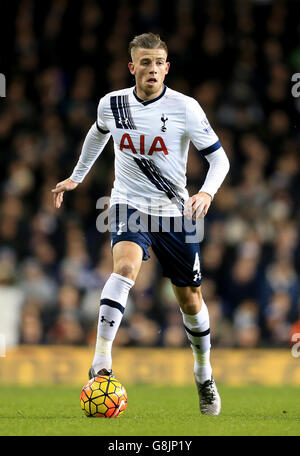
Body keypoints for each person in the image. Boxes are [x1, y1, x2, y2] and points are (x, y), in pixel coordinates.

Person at [52, 32, 230, 415]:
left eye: (158, 62)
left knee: (190, 299)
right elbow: (96, 135)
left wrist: (207, 193)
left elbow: (220, 160)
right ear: (132, 67)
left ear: (167, 67)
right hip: (127, 205)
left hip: (176, 213)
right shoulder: (111, 104)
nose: (152, 69)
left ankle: (204, 374)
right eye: (144, 62)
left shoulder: (186, 108)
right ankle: (101, 362)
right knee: (126, 267)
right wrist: (78, 177)